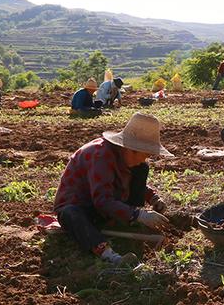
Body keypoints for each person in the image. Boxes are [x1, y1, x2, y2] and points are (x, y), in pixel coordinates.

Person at [54, 113, 172, 266]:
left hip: (104, 207)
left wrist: (153, 197)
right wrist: (138, 215)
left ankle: (125, 219)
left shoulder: (124, 157)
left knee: (141, 168)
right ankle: (108, 254)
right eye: (144, 154)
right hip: (81, 207)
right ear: (130, 149)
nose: (144, 159)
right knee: (72, 214)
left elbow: (128, 184)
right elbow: (102, 200)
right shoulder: (100, 155)